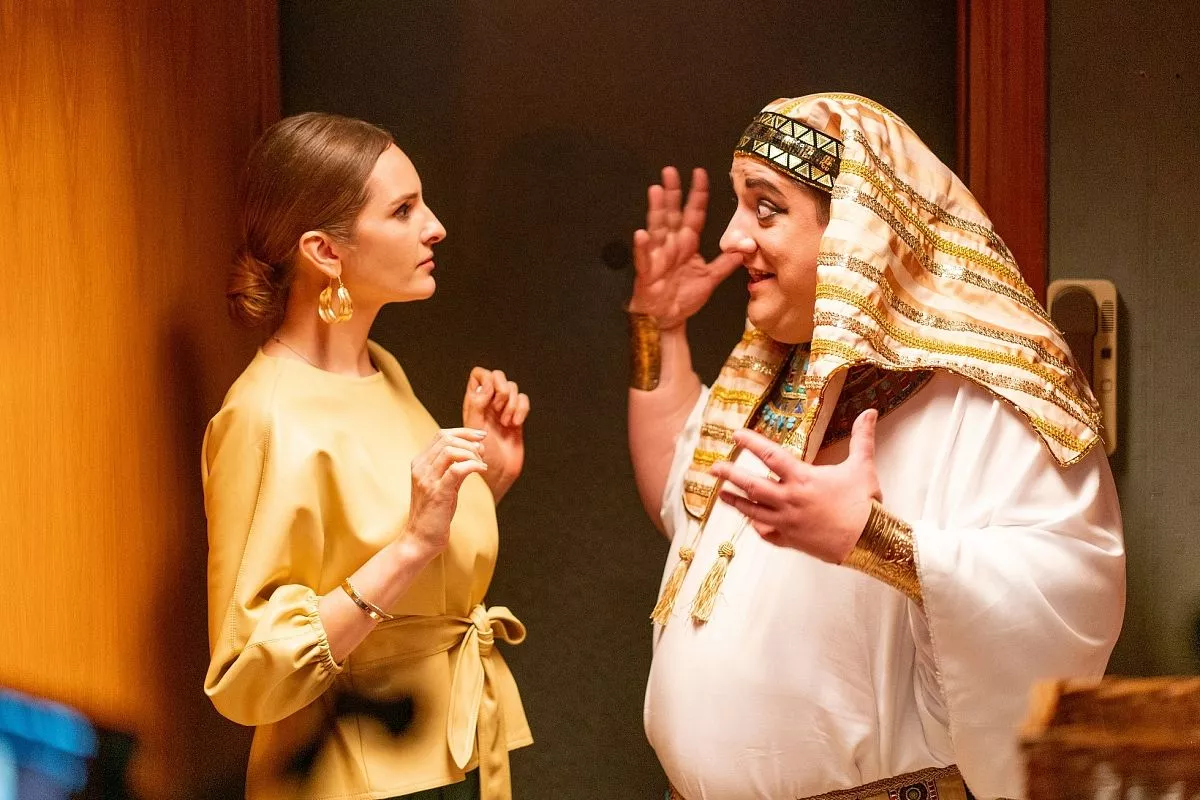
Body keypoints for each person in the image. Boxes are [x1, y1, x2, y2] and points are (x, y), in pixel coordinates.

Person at [625, 93, 1125, 800]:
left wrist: (873, 539)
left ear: (857, 230)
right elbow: (681, 501)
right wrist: (657, 329)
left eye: (766, 209)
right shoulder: (783, 377)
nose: (732, 239)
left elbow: (1069, 595)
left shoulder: (989, 400)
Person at [202, 113, 532, 800]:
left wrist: (484, 484)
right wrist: (413, 545)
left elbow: (388, 556)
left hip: (451, 748)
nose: (435, 227)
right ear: (325, 251)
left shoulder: (380, 368)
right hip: (355, 775)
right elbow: (247, 674)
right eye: (404, 210)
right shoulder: (262, 416)